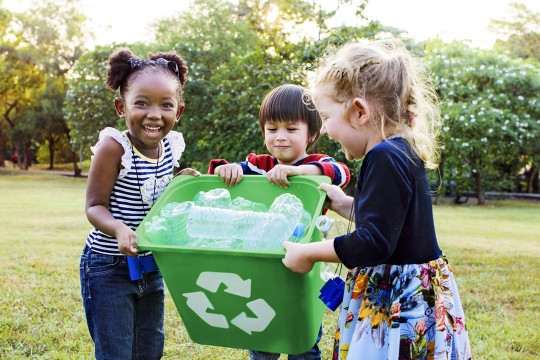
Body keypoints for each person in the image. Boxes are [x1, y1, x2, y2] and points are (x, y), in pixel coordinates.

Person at [282, 40, 472, 359]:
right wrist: (343, 202)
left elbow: (374, 242)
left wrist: (309, 253)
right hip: (416, 289)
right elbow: (389, 221)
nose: (325, 130)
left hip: (400, 300)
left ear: (359, 112)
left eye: (327, 118)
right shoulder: (401, 149)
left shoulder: (383, 156)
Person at [208, 84, 351, 360]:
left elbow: (339, 173)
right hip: (262, 262)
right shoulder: (259, 165)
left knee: (303, 338)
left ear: (311, 133)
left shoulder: (317, 162)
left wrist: (298, 170)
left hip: (305, 265)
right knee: (262, 334)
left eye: (291, 129)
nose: (280, 137)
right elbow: (225, 176)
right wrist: (229, 169)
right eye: (272, 129)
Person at [80, 48, 199, 360]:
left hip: (151, 265)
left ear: (179, 111)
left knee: (150, 349)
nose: (154, 114)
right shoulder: (113, 148)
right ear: (122, 106)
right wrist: (119, 229)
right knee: (116, 351)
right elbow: (94, 206)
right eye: (141, 103)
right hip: (109, 268)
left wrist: (182, 183)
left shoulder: (171, 147)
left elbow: (157, 197)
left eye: (166, 105)